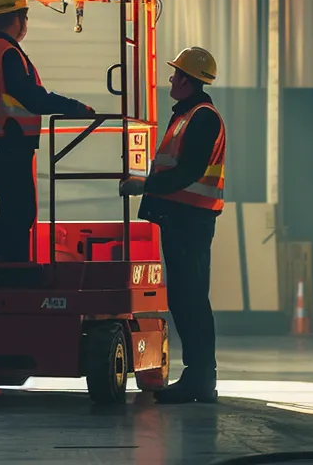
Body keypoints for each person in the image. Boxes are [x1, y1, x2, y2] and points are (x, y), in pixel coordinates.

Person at [120, 46, 226, 404]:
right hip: (180, 218)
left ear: (188, 80)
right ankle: (197, 378)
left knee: (191, 300)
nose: (171, 78)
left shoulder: (202, 117)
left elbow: (188, 172)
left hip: (190, 220)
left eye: (176, 74)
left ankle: (200, 380)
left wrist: (144, 186)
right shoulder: (185, 115)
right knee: (184, 299)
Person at [0, 0, 98, 263]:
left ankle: (7, 265)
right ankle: (12, 269)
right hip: (11, 143)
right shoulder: (7, 53)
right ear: (18, 18)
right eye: (25, 17)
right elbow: (33, 98)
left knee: (12, 209)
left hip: (0, 142)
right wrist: (74, 107)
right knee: (20, 210)